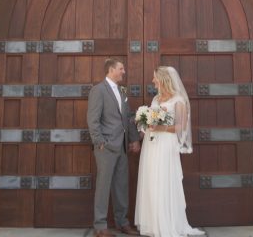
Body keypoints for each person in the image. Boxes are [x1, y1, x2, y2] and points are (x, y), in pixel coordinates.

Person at [135, 66, 205, 237]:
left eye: (155, 78)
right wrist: (144, 124)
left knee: (164, 179)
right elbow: (150, 120)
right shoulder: (156, 98)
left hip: (166, 145)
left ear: (163, 79)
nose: (152, 81)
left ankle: (167, 223)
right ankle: (153, 223)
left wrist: (161, 127)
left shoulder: (178, 100)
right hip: (151, 145)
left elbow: (181, 128)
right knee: (151, 180)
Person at [87, 58, 141, 237]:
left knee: (121, 186)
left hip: (123, 147)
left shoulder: (122, 91)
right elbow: (93, 119)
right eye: (121, 68)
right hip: (106, 147)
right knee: (103, 186)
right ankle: (100, 227)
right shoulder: (98, 90)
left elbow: (128, 116)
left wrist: (133, 139)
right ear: (111, 70)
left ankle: (122, 223)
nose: (123, 71)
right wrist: (99, 141)